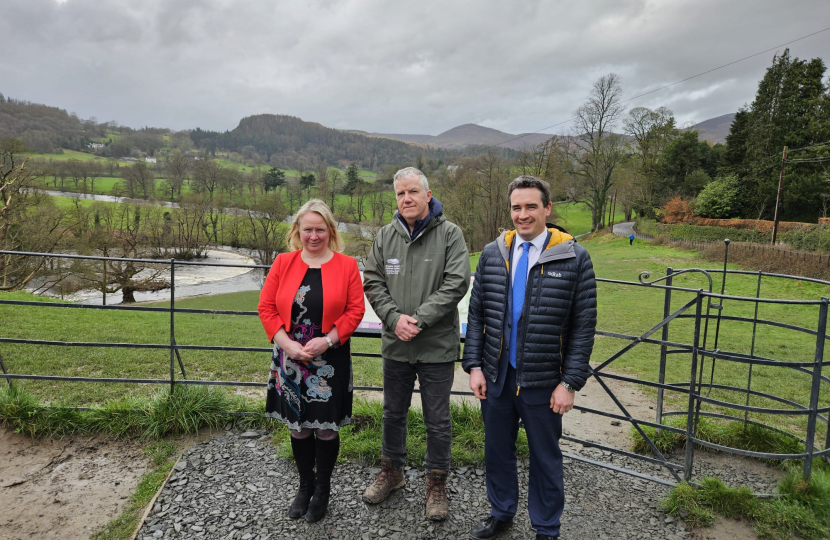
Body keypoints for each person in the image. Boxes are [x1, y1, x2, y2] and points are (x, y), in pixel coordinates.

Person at [462, 176, 597, 540]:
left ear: (547, 209)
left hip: (543, 379)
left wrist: (569, 382)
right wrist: (475, 366)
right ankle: (501, 512)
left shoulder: (573, 257)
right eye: (516, 208)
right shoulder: (494, 252)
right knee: (497, 451)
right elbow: (477, 315)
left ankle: (546, 527)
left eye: (531, 207)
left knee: (545, 457)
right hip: (497, 375)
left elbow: (584, 327)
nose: (523, 215)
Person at [362, 166, 471, 521]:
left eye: (412, 192)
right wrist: (395, 319)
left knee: (437, 419)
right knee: (393, 412)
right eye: (400, 193)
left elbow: (457, 282)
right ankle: (391, 472)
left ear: (428, 194)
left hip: (436, 345)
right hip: (397, 344)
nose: (406, 199)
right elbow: (373, 281)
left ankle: (436, 481)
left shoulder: (450, 234)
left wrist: (419, 319)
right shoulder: (385, 236)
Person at [258, 199, 365, 523]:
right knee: (299, 428)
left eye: (320, 229)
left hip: (329, 360)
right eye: (308, 229)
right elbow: (266, 308)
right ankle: (304, 487)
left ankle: (323, 490)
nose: (314, 236)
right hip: (290, 359)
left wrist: (328, 339)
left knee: (326, 431)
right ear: (298, 231)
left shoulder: (347, 265)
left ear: (330, 231)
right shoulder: (283, 263)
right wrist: (287, 344)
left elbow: (355, 311)